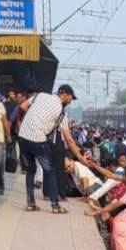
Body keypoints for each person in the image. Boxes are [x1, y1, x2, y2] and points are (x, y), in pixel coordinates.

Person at [17, 84, 82, 213]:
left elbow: (22, 106)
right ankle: (55, 206)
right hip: (38, 140)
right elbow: (68, 139)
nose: (70, 102)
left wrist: (34, 117)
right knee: (50, 171)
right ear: (65, 95)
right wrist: (80, 157)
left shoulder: (40, 95)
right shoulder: (61, 112)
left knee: (30, 171)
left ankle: (30, 203)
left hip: (23, 137)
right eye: (70, 98)